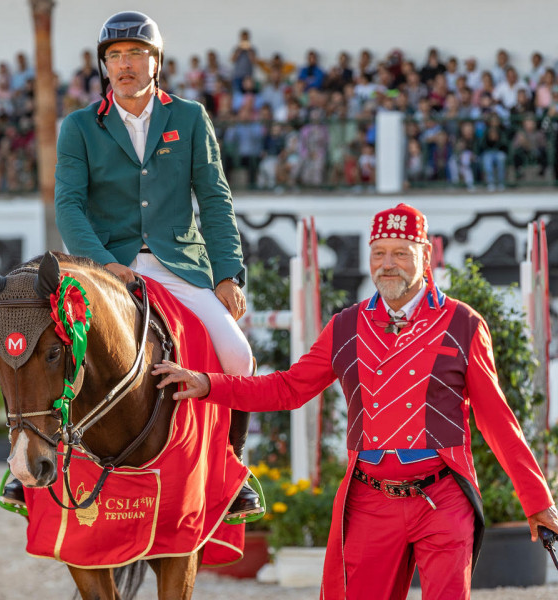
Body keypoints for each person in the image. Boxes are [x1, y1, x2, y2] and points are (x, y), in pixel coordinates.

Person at [153, 203, 558, 600]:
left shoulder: (462, 323)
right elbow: (288, 388)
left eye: (401, 252)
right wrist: (208, 384)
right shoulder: (347, 325)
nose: (387, 263)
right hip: (370, 500)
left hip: (444, 499)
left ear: (426, 255)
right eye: (378, 252)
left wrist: (537, 501)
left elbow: (498, 421)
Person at [49, 10, 259, 520]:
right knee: (45, 345)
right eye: (115, 57)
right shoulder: (78, 126)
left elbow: (214, 200)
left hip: (178, 265)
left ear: (156, 62)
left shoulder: (189, 118)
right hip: (104, 266)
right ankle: (25, 467)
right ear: (104, 67)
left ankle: (233, 470)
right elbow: (69, 206)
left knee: (239, 360)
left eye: (136, 54)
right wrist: (101, 263)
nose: (125, 65)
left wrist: (229, 275)